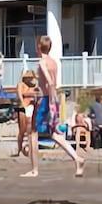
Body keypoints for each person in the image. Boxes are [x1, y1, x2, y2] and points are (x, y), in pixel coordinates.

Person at [26, 35, 86, 178]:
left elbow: (50, 81)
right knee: (53, 134)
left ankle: (34, 170)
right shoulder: (54, 62)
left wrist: (49, 97)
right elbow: (51, 82)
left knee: (32, 133)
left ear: (39, 47)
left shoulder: (42, 62)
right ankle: (78, 159)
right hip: (51, 99)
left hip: (44, 100)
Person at [13, 71, 38, 158]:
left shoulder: (34, 86)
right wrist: (23, 103)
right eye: (29, 77)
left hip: (31, 107)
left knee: (30, 129)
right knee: (22, 130)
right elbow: (20, 94)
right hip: (23, 107)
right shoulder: (21, 84)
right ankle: (19, 149)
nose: (31, 79)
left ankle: (30, 148)